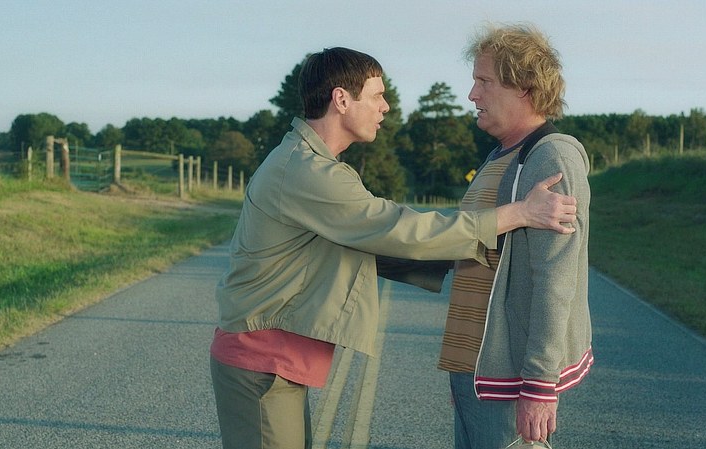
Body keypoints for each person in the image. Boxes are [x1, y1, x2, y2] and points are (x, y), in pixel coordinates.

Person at [209, 46, 579, 449]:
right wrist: (517, 214)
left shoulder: (312, 164)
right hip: (261, 359)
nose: (385, 107)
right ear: (341, 100)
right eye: (377, 96)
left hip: (273, 357)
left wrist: (455, 255)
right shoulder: (307, 171)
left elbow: (369, 244)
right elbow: (398, 228)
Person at [437, 23, 593, 448]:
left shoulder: (551, 157)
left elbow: (556, 279)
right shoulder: (499, 155)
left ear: (525, 87)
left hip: (509, 376)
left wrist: (540, 385)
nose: (472, 94)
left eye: (484, 81)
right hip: (476, 370)